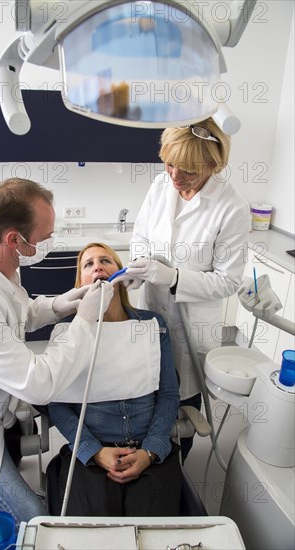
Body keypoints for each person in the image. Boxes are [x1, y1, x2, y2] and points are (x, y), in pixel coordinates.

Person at [0, 178, 113, 542]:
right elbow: (38, 383)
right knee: (35, 525)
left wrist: (62, 303)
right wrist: (86, 321)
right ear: (14, 239)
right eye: (43, 239)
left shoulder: (0, 271)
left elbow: (21, 313)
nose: (47, 245)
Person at [126, 119, 251, 462]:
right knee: (148, 387)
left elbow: (227, 281)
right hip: (151, 309)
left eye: (189, 171)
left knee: (182, 399)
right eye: (169, 164)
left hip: (193, 325)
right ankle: (147, 458)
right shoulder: (160, 184)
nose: (176, 177)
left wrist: (173, 277)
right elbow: (140, 234)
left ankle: (177, 465)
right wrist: (140, 265)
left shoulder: (232, 208)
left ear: (214, 164)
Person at [48, 243, 181, 516]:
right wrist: (94, 451)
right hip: (92, 456)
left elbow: (168, 394)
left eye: (105, 260)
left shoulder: (151, 326)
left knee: (154, 525)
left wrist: (151, 451)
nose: (97, 266)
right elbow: (58, 405)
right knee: (94, 529)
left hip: (147, 450)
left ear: (121, 276)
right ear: (80, 284)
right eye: (88, 264)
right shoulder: (66, 335)